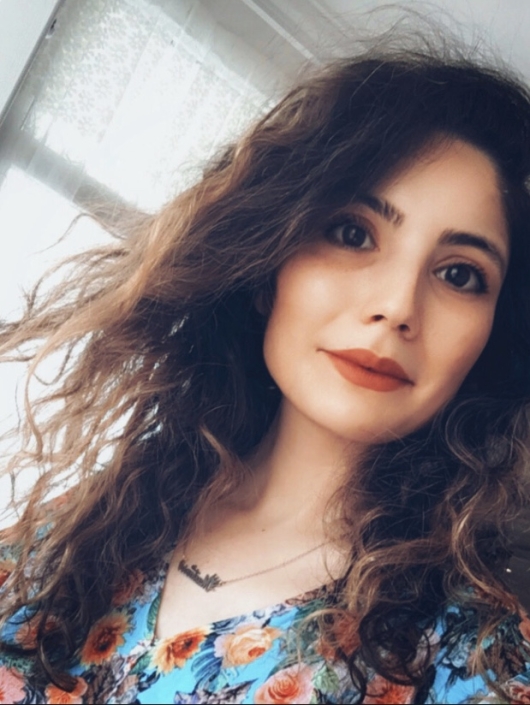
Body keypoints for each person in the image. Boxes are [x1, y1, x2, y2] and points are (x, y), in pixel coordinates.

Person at [1, 38, 530, 705]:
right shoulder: (95, 520)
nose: (397, 306)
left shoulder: (475, 662)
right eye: (353, 233)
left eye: (460, 274)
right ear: (268, 263)